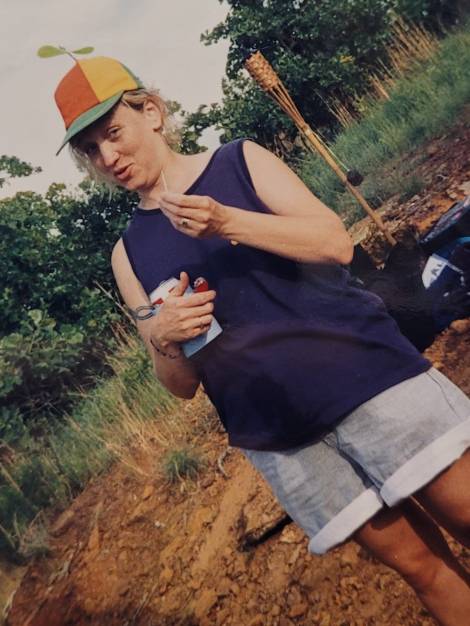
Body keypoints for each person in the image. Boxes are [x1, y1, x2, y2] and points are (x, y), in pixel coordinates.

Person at [53, 55, 470, 625]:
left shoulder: (240, 162)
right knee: (423, 570)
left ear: (150, 113)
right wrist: (165, 339)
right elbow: (179, 387)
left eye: (113, 134)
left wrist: (227, 222)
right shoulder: (127, 255)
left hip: (371, 382)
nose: (107, 157)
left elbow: (333, 243)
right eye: (90, 150)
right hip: (285, 441)